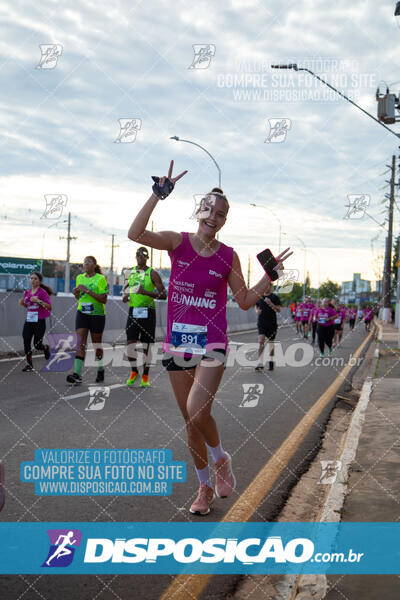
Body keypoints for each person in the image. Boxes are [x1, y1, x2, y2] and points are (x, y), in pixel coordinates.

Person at [127, 160, 292, 515]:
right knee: (190, 423)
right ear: (198, 210)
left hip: (212, 343)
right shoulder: (177, 243)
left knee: (196, 409)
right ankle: (203, 487)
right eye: (209, 209)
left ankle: (221, 460)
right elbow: (135, 234)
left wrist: (270, 279)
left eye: (221, 214)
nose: (214, 216)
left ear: (224, 221)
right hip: (178, 342)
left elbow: (246, 300)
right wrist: (156, 195)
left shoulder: (228, 256)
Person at [122, 246, 166, 387]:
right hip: (133, 311)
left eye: (143, 255)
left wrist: (146, 292)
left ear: (147, 258)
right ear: (135, 256)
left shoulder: (153, 273)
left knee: (147, 346)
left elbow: (163, 295)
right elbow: (125, 291)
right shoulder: (129, 273)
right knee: (130, 343)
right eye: (138, 255)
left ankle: (145, 375)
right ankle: (134, 371)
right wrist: (125, 296)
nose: (140, 257)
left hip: (148, 312)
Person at [66, 256, 108, 385]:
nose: (85, 264)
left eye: (88, 262)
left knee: (96, 344)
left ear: (94, 265)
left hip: (97, 315)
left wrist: (87, 290)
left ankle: (100, 368)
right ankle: (77, 374)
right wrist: (76, 293)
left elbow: (103, 299)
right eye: (84, 262)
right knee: (80, 343)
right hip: (82, 313)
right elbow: (79, 297)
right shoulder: (80, 278)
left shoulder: (100, 279)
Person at [18, 271, 53, 371]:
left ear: (40, 281)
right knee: (26, 341)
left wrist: (38, 301)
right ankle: (29, 365)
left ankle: (45, 348)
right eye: (31, 278)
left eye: (35, 279)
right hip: (29, 320)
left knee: (37, 345)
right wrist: (22, 303)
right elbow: (28, 305)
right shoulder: (27, 292)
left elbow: (49, 307)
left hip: (39, 321)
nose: (32, 280)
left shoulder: (42, 292)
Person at [254, 290, 281, 371]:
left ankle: (271, 361)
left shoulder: (274, 297)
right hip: (261, 322)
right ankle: (260, 363)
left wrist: (271, 303)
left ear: (270, 286)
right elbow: (256, 306)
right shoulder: (260, 296)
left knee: (271, 344)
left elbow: (278, 309)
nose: (266, 287)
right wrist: (256, 311)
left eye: (268, 286)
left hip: (272, 323)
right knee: (261, 340)